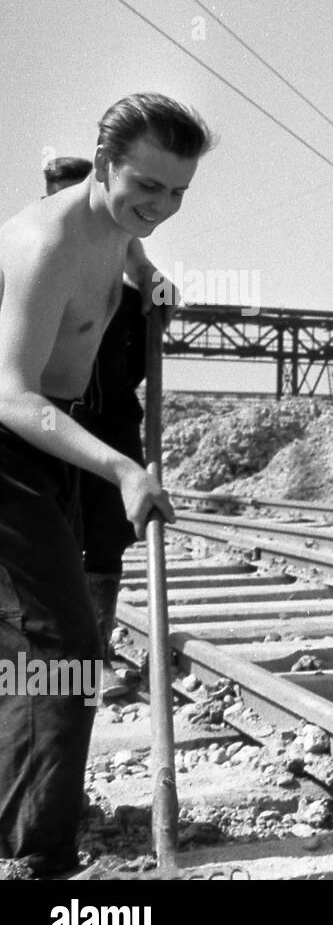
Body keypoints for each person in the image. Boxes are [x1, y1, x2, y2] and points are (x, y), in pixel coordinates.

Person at [0, 93, 204, 875]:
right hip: (12, 434)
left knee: (32, 643)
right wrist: (122, 467)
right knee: (65, 642)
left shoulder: (113, 225)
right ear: (105, 161)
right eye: (148, 186)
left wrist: (147, 273)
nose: (161, 205)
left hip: (44, 435)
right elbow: (12, 393)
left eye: (177, 192)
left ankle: (24, 818)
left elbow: (129, 249)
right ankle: (38, 857)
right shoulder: (44, 242)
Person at [42, 157, 175, 700]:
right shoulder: (39, 249)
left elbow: (152, 279)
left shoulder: (117, 241)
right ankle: (49, 663)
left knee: (102, 543)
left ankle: (90, 660)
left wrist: (159, 296)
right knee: (48, 540)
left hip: (109, 420)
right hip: (48, 424)